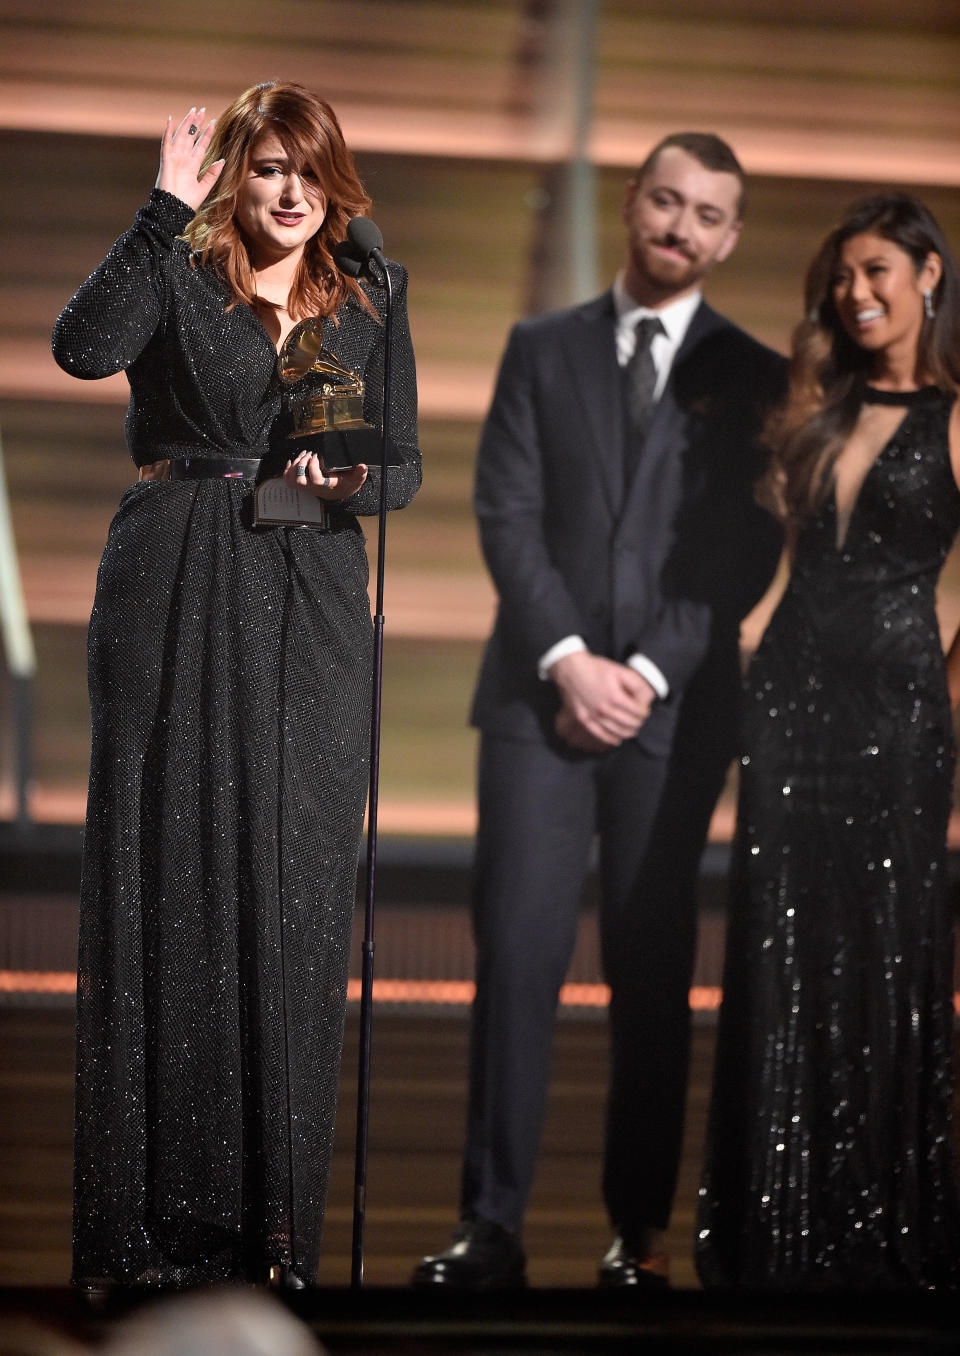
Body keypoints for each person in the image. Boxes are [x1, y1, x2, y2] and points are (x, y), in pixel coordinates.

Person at [52, 80, 420, 1289]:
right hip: (173, 572)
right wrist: (158, 211)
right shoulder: (176, 269)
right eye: (267, 168)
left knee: (295, 886)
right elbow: (81, 347)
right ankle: (148, 1232)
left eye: (309, 171)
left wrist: (348, 481)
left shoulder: (370, 293)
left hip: (309, 589)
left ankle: (271, 1227)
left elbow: (403, 465)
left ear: (337, 180)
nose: (290, 193)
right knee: (171, 873)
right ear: (234, 178)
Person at [412, 133, 785, 1291]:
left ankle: (641, 1237)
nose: (681, 226)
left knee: (653, 967)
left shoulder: (759, 376)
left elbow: (745, 546)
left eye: (707, 214)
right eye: (666, 200)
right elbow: (505, 511)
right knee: (515, 959)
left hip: (674, 719)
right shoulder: (540, 346)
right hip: (536, 702)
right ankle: (491, 1226)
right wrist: (572, 660)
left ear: (729, 236)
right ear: (633, 203)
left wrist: (645, 676)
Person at [697, 193, 960, 1291]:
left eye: (875, 273)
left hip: (899, 709)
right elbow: (792, 568)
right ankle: (779, 1228)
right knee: (782, 951)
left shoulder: (956, 415)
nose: (855, 293)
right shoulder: (819, 407)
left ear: (928, 276)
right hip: (793, 698)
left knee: (888, 955)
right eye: (840, 279)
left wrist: (942, 706)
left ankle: (878, 1222)